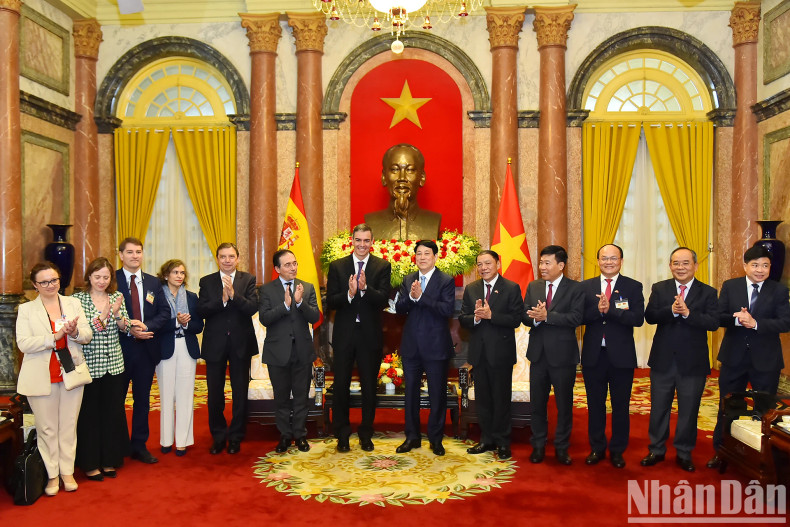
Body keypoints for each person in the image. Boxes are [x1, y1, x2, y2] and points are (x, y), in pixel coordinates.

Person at [707, 245, 790, 469]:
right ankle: (722, 451)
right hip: (734, 357)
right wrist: (737, 320)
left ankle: (763, 458)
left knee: (764, 409)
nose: (760, 270)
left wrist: (756, 323)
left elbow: (785, 322)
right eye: (755, 265)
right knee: (728, 406)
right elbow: (718, 317)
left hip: (766, 360)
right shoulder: (731, 286)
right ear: (745, 266)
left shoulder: (778, 290)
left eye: (765, 265)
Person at [16, 262, 92, 496]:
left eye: (54, 280)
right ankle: (51, 475)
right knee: (47, 428)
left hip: (70, 372)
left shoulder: (73, 303)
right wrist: (54, 336)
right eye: (45, 282)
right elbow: (24, 343)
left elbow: (87, 335)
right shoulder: (26, 310)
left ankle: (67, 472)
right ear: (35, 285)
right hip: (41, 376)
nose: (51, 285)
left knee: (68, 426)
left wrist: (74, 332)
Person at [641, 247, 719, 472]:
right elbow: (650, 316)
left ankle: (684, 453)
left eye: (685, 263)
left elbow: (713, 323)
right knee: (659, 408)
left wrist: (688, 314)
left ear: (695, 266)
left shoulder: (708, 292)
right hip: (663, 359)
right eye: (676, 263)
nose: (681, 267)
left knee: (689, 410)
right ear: (670, 266)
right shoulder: (660, 288)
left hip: (693, 362)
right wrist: (672, 310)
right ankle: (656, 449)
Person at [326, 223, 392, 452]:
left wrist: (364, 289)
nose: (362, 245)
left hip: (369, 336)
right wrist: (349, 293)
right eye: (358, 240)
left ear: (372, 242)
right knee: (341, 386)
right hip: (344, 335)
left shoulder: (382, 266)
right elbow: (331, 301)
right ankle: (342, 435)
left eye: (366, 240)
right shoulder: (338, 266)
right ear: (352, 241)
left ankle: (366, 433)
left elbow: (383, 300)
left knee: (369, 387)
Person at [580, 244, 644, 469]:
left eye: (613, 258)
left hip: (622, 357)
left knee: (620, 406)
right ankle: (597, 448)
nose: (609, 262)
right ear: (598, 261)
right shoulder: (586, 287)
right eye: (604, 258)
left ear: (621, 261)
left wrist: (611, 311)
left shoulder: (633, 286)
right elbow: (579, 317)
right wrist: (598, 310)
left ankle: (617, 450)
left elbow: (638, 319)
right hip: (593, 356)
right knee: (595, 405)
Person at [459, 250, 524, 460]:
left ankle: (503, 442)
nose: (483, 268)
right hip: (479, 354)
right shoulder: (471, 288)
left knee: (501, 399)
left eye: (487, 263)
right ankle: (486, 439)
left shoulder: (511, 287)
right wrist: (476, 318)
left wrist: (491, 315)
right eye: (479, 264)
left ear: (498, 263)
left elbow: (516, 319)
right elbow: (463, 318)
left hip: (501, 354)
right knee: (484, 400)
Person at [394, 240, 456, 456]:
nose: (422, 257)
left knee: (437, 395)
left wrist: (422, 297)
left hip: (436, 347)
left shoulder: (446, 280)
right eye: (418, 253)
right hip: (411, 346)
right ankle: (412, 437)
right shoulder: (408, 279)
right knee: (410, 394)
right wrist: (411, 298)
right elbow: (399, 308)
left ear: (435, 257)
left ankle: (436, 439)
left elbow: (447, 309)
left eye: (426, 253)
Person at [73, 257, 131, 481]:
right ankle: (90, 463)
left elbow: (125, 327)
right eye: (97, 277)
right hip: (89, 365)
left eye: (106, 277)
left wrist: (117, 315)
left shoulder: (116, 296)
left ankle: (109, 460)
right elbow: (85, 332)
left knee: (112, 413)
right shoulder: (78, 300)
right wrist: (105, 315)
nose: (102, 281)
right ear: (89, 276)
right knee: (89, 415)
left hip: (114, 365)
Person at [524, 245, 583, 465]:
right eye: (541, 262)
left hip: (563, 356)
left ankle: (561, 447)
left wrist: (547, 316)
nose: (542, 267)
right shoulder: (534, 286)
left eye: (547, 263)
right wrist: (535, 318)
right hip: (538, 355)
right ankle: (538, 445)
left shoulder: (575, 288)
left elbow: (576, 318)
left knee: (563, 406)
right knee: (537, 405)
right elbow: (524, 315)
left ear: (561, 265)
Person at [198, 242, 258, 455]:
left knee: (240, 393)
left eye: (231, 256)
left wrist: (234, 296)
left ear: (238, 258)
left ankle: (236, 436)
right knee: (215, 393)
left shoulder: (248, 279)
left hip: (241, 343)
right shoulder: (206, 281)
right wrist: (222, 301)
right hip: (215, 344)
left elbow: (252, 307)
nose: (227, 260)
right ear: (217, 259)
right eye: (223, 256)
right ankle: (218, 436)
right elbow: (201, 310)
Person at [258, 249, 320, 453]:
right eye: (287, 265)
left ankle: (300, 435)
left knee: (301, 397)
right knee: (281, 398)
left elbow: (314, 317)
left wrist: (300, 302)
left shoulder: (307, 287)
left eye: (294, 263)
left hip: (302, 351)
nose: (293, 267)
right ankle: (285, 436)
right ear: (277, 269)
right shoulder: (267, 290)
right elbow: (264, 319)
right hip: (278, 352)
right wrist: (285, 305)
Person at [116, 237, 170, 464]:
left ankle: (139, 445)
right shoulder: (112, 281)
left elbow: (164, 313)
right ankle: (117, 446)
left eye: (138, 252)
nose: (135, 256)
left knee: (142, 401)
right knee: (116, 401)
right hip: (119, 350)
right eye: (130, 252)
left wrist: (145, 327)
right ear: (121, 255)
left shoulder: (153, 283)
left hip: (146, 350)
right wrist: (130, 328)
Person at [156, 259, 203, 457]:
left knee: (185, 395)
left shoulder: (191, 297)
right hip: (165, 348)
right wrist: (176, 322)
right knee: (166, 395)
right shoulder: (157, 296)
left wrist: (185, 324)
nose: (179, 276)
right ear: (166, 275)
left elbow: (199, 326)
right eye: (175, 272)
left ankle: (183, 441)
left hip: (187, 347)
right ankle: (166, 440)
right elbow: (155, 324)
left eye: (182, 273)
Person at [364, 143, 441, 241]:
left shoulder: (433, 221)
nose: (402, 178)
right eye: (395, 170)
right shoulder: (371, 221)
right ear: (384, 177)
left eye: (410, 170)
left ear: (422, 177)